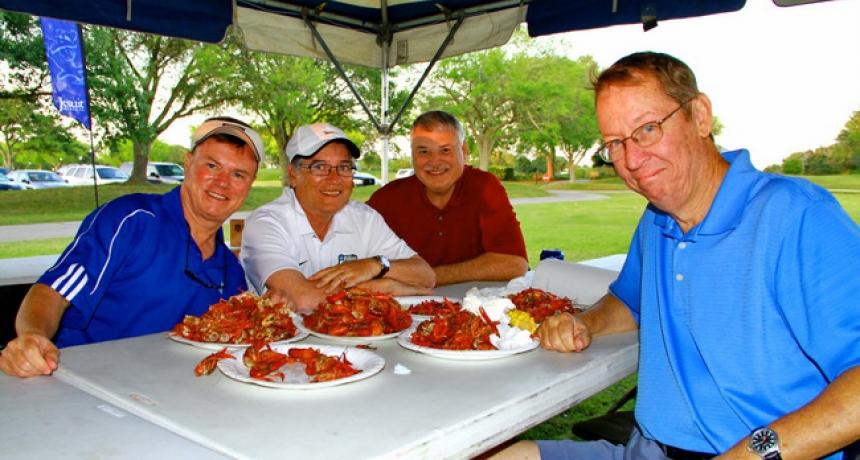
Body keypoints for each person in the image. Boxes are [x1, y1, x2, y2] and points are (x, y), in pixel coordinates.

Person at [419, 52, 860, 460]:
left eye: (648, 129)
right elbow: (630, 302)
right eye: (615, 143)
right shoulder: (658, 219)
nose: (631, 160)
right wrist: (585, 323)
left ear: (700, 115)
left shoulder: (796, 216)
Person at [0, 117, 264, 378]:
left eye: (238, 174)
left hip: (162, 390)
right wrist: (33, 337)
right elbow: (52, 293)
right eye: (212, 165)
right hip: (78, 380)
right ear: (188, 163)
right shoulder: (130, 220)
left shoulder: (231, 272)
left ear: (249, 185)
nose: (222, 182)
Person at [241, 122, 435, 311]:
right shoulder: (266, 223)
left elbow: (426, 276)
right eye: (319, 167)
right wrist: (382, 288)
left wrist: (374, 266)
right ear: (293, 175)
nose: (334, 179)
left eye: (343, 167)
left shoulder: (364, 218)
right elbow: (303, 299)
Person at [366, 110, 528, 286]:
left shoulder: (484, 187)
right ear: (412, 155)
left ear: (463, 151)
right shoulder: (387, 199)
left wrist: (426, 277)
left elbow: (514, 263)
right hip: (404, 301)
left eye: (445, 150)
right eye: (424, 152)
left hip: (471, 300)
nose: (434, 162)